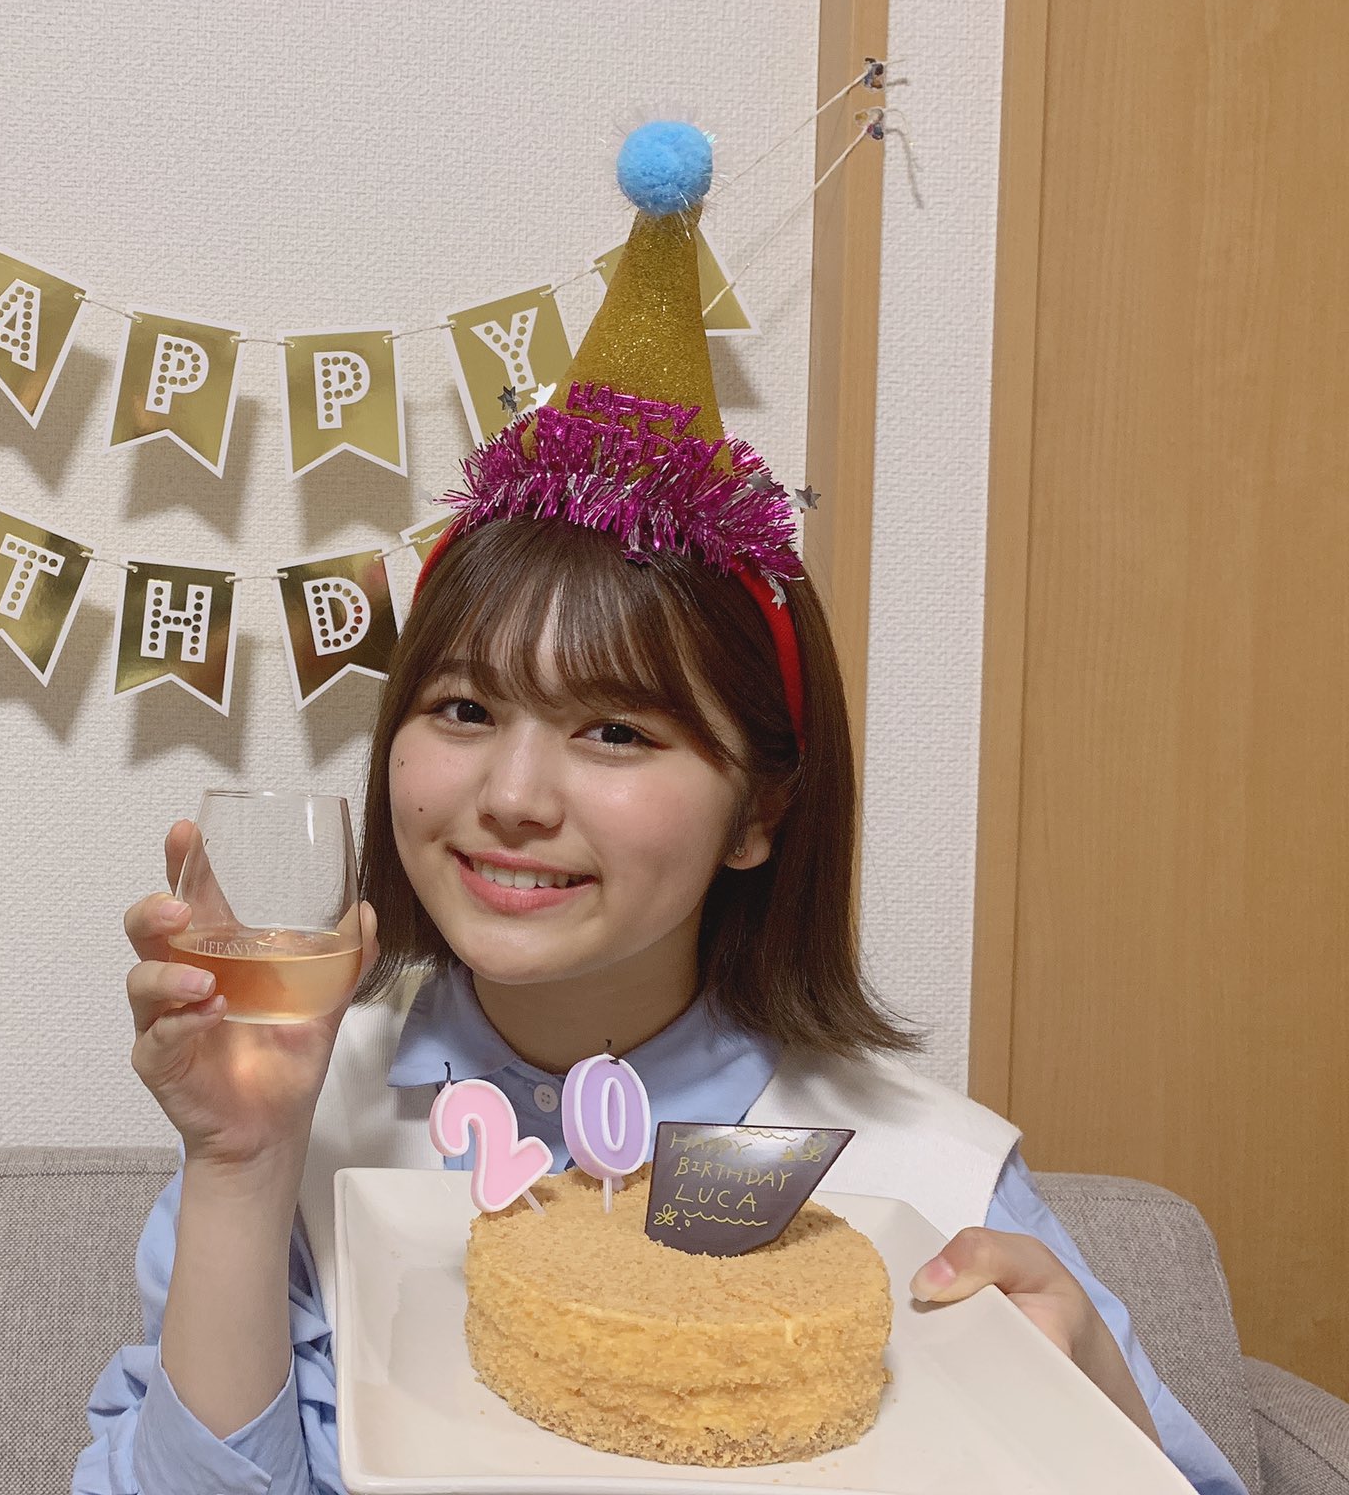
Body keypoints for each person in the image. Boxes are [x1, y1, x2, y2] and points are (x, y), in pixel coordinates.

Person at [73, 122, 1247, 1495]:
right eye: (464, 710)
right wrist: (240, 1169)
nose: (513, 798)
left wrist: (1092, 1404)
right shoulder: (297, 1112)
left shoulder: (920, 1177)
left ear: (759, 813)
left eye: (617, 731)